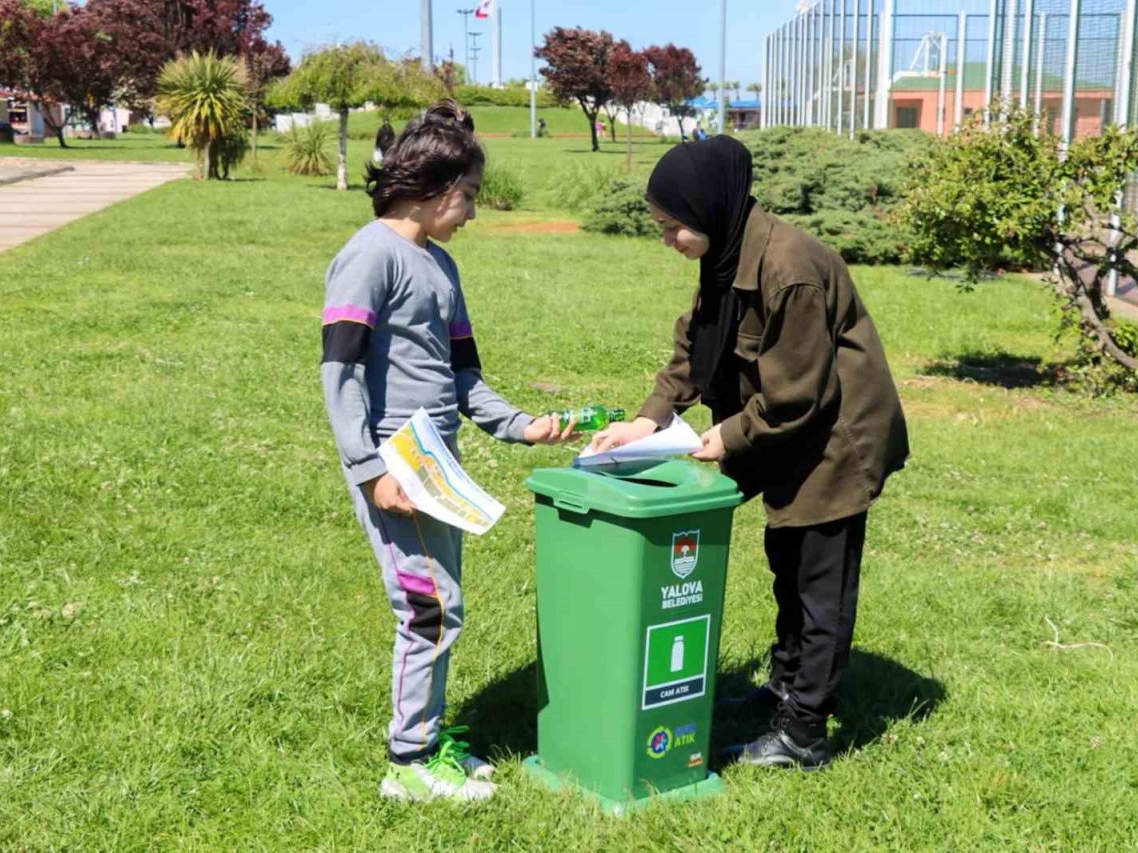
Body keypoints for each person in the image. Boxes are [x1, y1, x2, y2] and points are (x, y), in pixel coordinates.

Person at [592, 136, 909, 770]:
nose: (668, 240)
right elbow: (694, 352)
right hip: (786, 434)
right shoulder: (725, 256)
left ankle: (805, 734)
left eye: (673, 226)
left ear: (709, 209)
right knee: (784, 564)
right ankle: (786, 686)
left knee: (820, 585)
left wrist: (727, 437)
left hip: (833, 442)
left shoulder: (789, 270)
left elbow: (798, 395)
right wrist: (648, 419)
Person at [322, 100, 575, 802]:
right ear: (431, 189)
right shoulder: (369, 256)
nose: (471, 212)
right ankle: (409, 760)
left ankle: (429, 736)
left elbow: (463, 375)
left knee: (445, 602)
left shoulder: (442, 267)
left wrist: (520, 425)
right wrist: (371, 467)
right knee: (429, 609)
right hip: (397, 466)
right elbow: (338, 371)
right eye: (467, 197)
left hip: (438, 461)